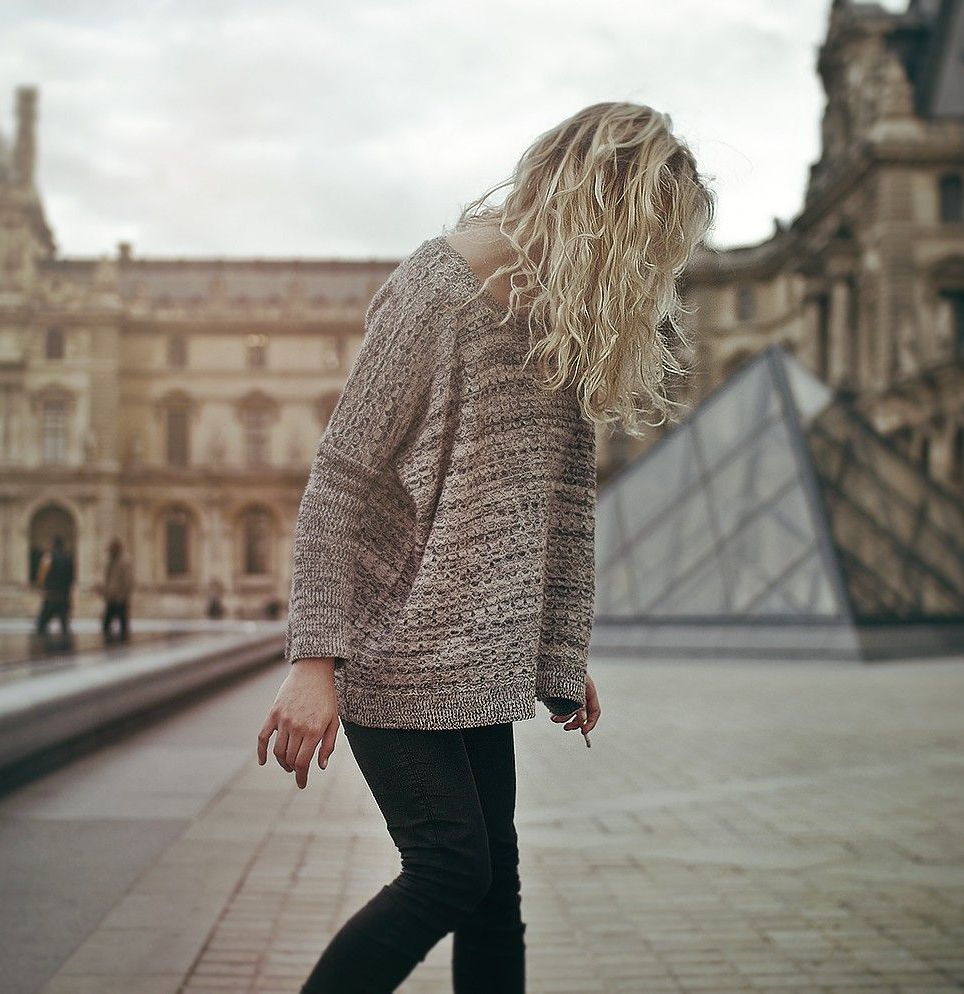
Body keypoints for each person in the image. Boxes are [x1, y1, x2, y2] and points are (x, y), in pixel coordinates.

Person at [256, 102, 714, 994]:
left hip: (477, 661)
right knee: (450, 872)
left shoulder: (568, 322)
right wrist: (314, 660)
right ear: (599, 209)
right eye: (646, 241)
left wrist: (556, 654)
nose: (650, 269)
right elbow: (341, 478)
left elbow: (561, 512)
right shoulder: (438, 292)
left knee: (495, 896)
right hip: (394, 644)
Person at [34, 535, 75, 635]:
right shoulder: (68, 558)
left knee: (41, 625)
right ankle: (66, 644)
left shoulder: (48, 557)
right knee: (64, 626)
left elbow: (41, 576)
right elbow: (71, 577)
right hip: (64, 596)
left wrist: (41, 587)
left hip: (51, 595)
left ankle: (44, 643)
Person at [98, 537, 134, 641]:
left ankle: (123, 643)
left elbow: (128, 580)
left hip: (120, 597)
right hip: (111, 596)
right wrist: (104, 591)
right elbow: (106, 578)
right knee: (106, 623)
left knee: (122, 622)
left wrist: (123, 595)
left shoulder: (125, 561)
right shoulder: (108, 560)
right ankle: (109, 643)